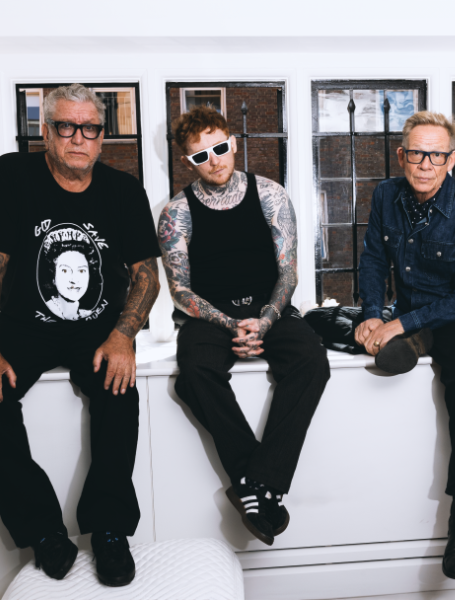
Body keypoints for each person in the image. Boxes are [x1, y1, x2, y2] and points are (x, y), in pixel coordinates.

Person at [0, 83, 161, 586]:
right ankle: (44, 531)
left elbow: (147, 276)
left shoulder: (124, 189)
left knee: (119, 392)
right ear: (46, 132)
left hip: (98, 328)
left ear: (102, 136)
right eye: (66, 127)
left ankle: (110, 529)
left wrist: (123, 336)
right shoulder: (11, 175)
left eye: (89, 129)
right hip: (25, 326)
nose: (78, 138)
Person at [158, 106, 330, 547]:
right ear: (188, 161)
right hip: (209, 315)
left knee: (312, 361)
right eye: (201, 156)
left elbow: (288, 272)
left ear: (232, 143)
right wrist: (232, 324)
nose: (214, 161)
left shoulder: (270, 194)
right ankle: (259, 483)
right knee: (195, 373)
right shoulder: (176, 212)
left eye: (219, 148)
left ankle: (254, 484)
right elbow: (181, 291)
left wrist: (266, 320)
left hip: (270, 307)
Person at [355, 111, 455, 580]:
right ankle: (411, 341)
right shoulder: (386, 195)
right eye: (417, 153)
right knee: (370, 345)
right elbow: (373, 258)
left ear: (452, 160)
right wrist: (372, 312)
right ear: (402, 155)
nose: (425, 164)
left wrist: (401, 323)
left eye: (436, 156)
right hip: (410, 307)